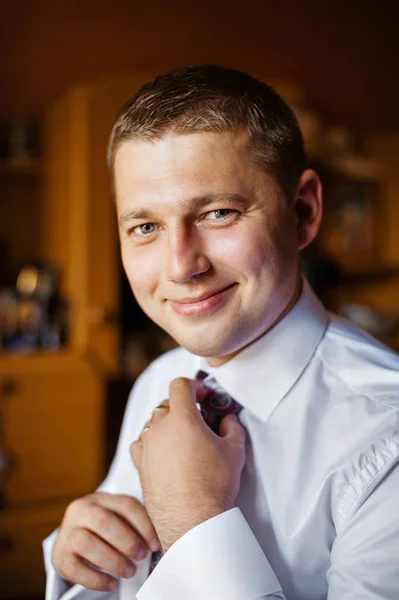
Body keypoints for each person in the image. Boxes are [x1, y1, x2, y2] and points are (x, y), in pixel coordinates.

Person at [43, 65, 399, 600]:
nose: (181, 267)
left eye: (217, 213)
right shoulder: (161, 381)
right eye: (145, 227)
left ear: (303, 212)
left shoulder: (385, 440)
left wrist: (195, 520)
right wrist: (79, 555)